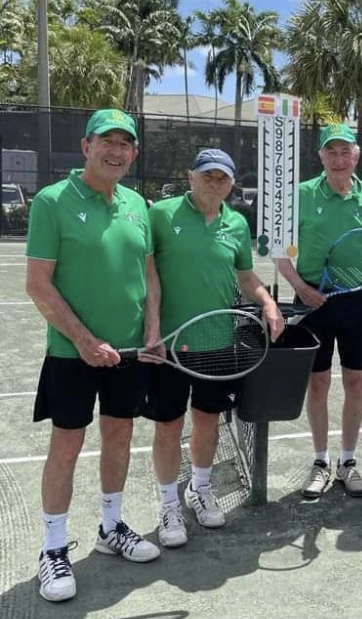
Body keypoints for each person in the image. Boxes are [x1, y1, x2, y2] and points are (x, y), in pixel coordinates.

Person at [26, 109, 161, 603]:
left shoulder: (137, 204)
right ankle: (53, 548)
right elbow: (37, 283)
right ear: (86, 147)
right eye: (107, 141)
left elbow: (148, 273)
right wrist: (84, 340)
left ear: (133, 154)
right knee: (66, 446)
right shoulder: (52, 202)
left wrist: (151, 329)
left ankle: (110, 528)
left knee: (120, 437)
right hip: (71, 354)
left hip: (128, 352)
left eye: (125, 144)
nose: (116, 151)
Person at [146, 149, 284, 547]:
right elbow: (146, 273)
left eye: (222, 178)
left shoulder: (237, 223)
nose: (214, 182)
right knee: (168, 425)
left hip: (217, 343)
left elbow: (244, 277)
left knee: (206, 420)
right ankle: (169, 503)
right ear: (190, 176)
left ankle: (200, 488)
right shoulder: (160, 215)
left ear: (231, 184)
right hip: (168, 344)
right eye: (207, 175)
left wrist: (269, 303)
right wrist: (150, 329)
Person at [275, 124, 362, 498]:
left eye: (345, 152)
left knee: (357, 381)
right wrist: (302, 289)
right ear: (321, 157)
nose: (339, 159)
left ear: (356, 157)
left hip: (358, 299)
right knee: (318, 381)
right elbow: (280, 251)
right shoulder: (300, 195)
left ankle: (348, 461)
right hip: (310, 299)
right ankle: (322, 461)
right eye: (332, 152)